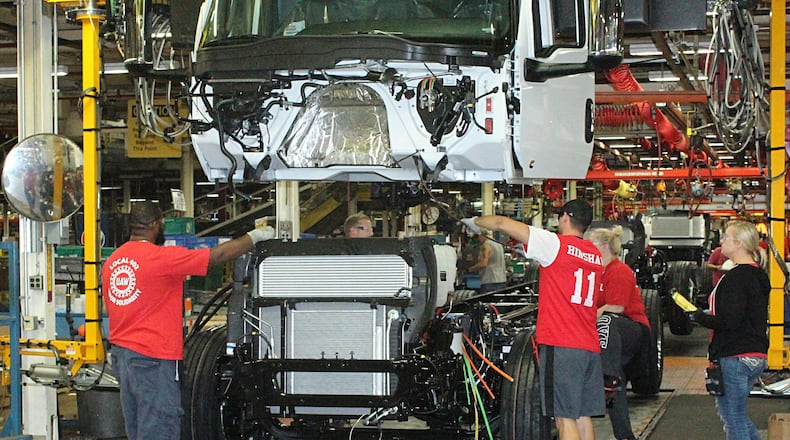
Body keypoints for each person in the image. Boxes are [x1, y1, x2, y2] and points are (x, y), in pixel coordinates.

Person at [102, 201, 276, 440]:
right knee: (160, 427)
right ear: (156, 224)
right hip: (153, 358)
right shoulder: (160, 258)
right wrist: (255, 236)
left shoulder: (113, 261)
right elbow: (218, 255)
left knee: (138, 428)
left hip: (122, 357)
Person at [461, 199, 605, 440]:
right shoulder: (594, 254)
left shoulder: (555, 245)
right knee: (581, 415)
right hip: (588, 345)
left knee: (563, 418)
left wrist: (473, 222)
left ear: (566, 217)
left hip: (562, 346)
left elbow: (500, 222)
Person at [689, 220, 769, 440]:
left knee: (733, 418)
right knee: (735, 417)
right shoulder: (757, 275)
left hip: (736, 355)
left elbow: (729, 321)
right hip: (753, 354)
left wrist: (699, 317)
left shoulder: (736, 278)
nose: (721, 241)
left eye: (726, 237)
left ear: (739, 243)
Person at [587, 226, 651, 440]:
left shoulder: (619, 270)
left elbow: (617, 308)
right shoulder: (596, 273)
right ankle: (625, 435)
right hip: (610, 336)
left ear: (604, 246)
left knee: (607, 320)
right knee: (617, 386)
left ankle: (609, 375)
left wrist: (594, 314)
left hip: (631, 328)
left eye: (591, 244)